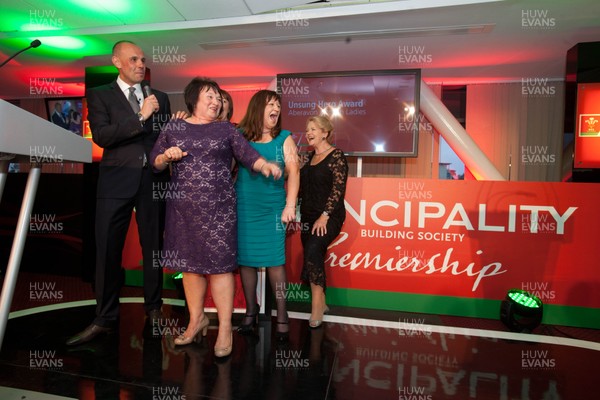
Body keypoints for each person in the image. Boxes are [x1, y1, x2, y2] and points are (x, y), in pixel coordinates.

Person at [149, 77, 282, 358]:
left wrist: (265, 165)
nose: (216, 102)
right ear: (193, 99)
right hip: (183, 210)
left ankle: (223, 328)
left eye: (218, 98)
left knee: (221, 268)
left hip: (219, 210)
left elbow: (248, 155)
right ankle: (196, 320)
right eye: (209, 96)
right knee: (190, 266)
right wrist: (166, 156)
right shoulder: (174, 127)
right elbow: (155, 162)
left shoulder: (226, 130)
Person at [66, 40, 172, 346]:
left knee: (152, 248)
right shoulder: (100, 95)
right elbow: (102, 137)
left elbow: (162, 140)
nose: (141, 64)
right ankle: (105, 318)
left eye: (143, 59)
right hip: (115, 183)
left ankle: (153, 309)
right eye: (134, 59)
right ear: (117, 62)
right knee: (108, 250)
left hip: (152, 181)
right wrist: (139, 116)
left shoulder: (160, 97)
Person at [235, 90, 299, 342]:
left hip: (273, 208)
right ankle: (250, 312)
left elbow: (294, 172)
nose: (276, 109)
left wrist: (290, 206)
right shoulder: (239, 136)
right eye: (270, 104)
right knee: (246, 260)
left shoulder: (285, 138)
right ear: (257, 109)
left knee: (275, 262)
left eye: (278, 105)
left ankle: (282, 316)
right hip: (244, 206)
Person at [299, 115, 348, 328]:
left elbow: (338, 189)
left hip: (329, 217)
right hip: (308, 217)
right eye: (307, 129)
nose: (308, 133)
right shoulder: (308, 159)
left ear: (325, 133)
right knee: (313, 255)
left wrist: (325, 215)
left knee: (312, 251)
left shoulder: (337, 156)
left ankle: (317, 305)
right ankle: (323, 303)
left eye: (313, 129)